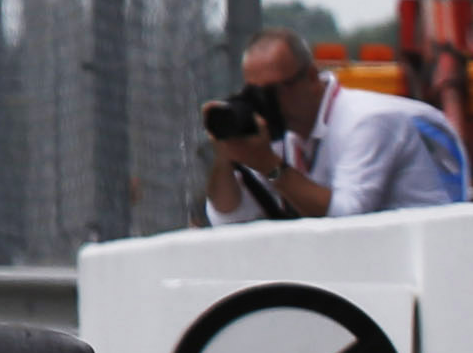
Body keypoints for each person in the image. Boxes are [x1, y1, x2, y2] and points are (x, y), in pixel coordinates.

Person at [201, 28, 473, 224]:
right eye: (254, 93)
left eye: (273, 90)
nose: (264, 103)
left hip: (430, 263)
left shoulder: (367, 121)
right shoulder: (279, 134)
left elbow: (345, 218)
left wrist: (271, 168)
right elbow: (229, 217)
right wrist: (226, 157)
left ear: (310, 76)